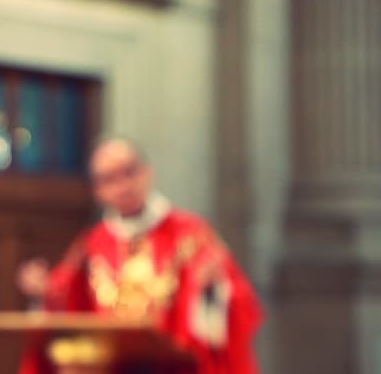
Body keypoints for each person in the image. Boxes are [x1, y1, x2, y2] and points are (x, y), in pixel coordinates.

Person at [17, 137, 262, 374]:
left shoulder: (191, 235)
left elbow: (235, 308)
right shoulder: (91, 245)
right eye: (109, 179)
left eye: (129, 172)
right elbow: (64, 302)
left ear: (147, 172)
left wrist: (214, 289)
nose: (123, 186)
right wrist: (43, 291)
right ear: (98, 190)